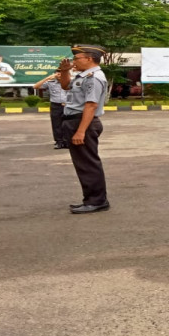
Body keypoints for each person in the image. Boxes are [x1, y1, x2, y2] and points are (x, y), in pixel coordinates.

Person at [57, 45, 111, 214]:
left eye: (76, 59)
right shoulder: (83, 76)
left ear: (89, 59)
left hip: (83, 123)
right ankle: (91, 199)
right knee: (83, 164)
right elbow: (66, 86)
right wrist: (65, 72)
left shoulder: (94, 77)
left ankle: (97, 201)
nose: (73, 62)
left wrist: (80, 131)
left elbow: (91, 105)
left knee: (88, 164)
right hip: (75, 121)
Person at [34, 71, 71, 149]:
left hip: (69, 105)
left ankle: (67, 141)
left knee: (68, 124)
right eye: (57, 74)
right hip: (56, 105)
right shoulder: (50, 83)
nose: (59, 75)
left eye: (62, 73)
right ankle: (59, 141)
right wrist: (47, 78)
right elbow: (36, 86)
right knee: (56, 124)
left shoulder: (70, 82)